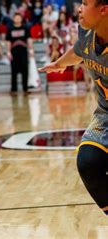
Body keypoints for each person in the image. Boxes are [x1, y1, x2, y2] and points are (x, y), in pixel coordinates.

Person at [39, 0, 108, 217]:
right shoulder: (88, 34)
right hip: (105, 114)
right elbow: (80, 50)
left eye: (85, 3)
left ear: (103, 9)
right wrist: (60, 63)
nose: (79, 8)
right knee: (88, 161)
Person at [6, 12, 34, 94]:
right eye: (16, 18)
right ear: (13, 19)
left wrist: (31, 50)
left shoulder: (25, 28)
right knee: (13, 71)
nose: (17, 19)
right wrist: (8, 52)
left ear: (21, 19)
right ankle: (14, 89)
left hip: (23, 52)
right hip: (14, 52)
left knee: (25, 70)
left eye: (19, 18)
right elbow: (8, 41)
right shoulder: (10, 29)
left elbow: (29, 39)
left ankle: (25, 88)